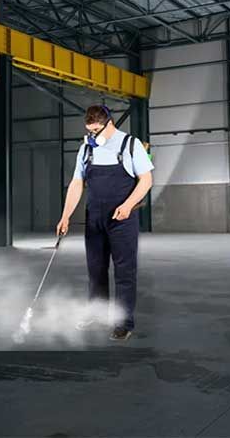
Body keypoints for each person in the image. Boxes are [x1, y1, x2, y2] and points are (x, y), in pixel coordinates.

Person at [55, 105, 154, 342]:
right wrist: (65, 215)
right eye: (89, 130)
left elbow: (146, 180)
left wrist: (128, 205)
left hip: (122, 219)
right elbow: (77, 183)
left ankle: (123, 323)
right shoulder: (86, 149)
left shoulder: (131, 145)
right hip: (95, 219)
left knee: (124, 272)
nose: (92, 135)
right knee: (96, 270)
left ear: (109, 123)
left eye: (96, 130)